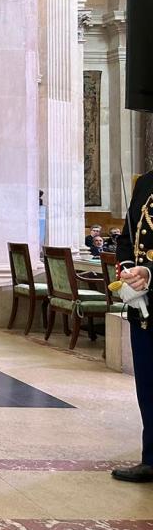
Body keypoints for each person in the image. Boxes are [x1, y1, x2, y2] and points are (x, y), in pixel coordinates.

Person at [110, 171, 153, 483]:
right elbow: (126, 238)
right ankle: (151, 457)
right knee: (149, 386)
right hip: (145, 309)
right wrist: (128, 271)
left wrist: (150, 273)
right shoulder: (146, 182)